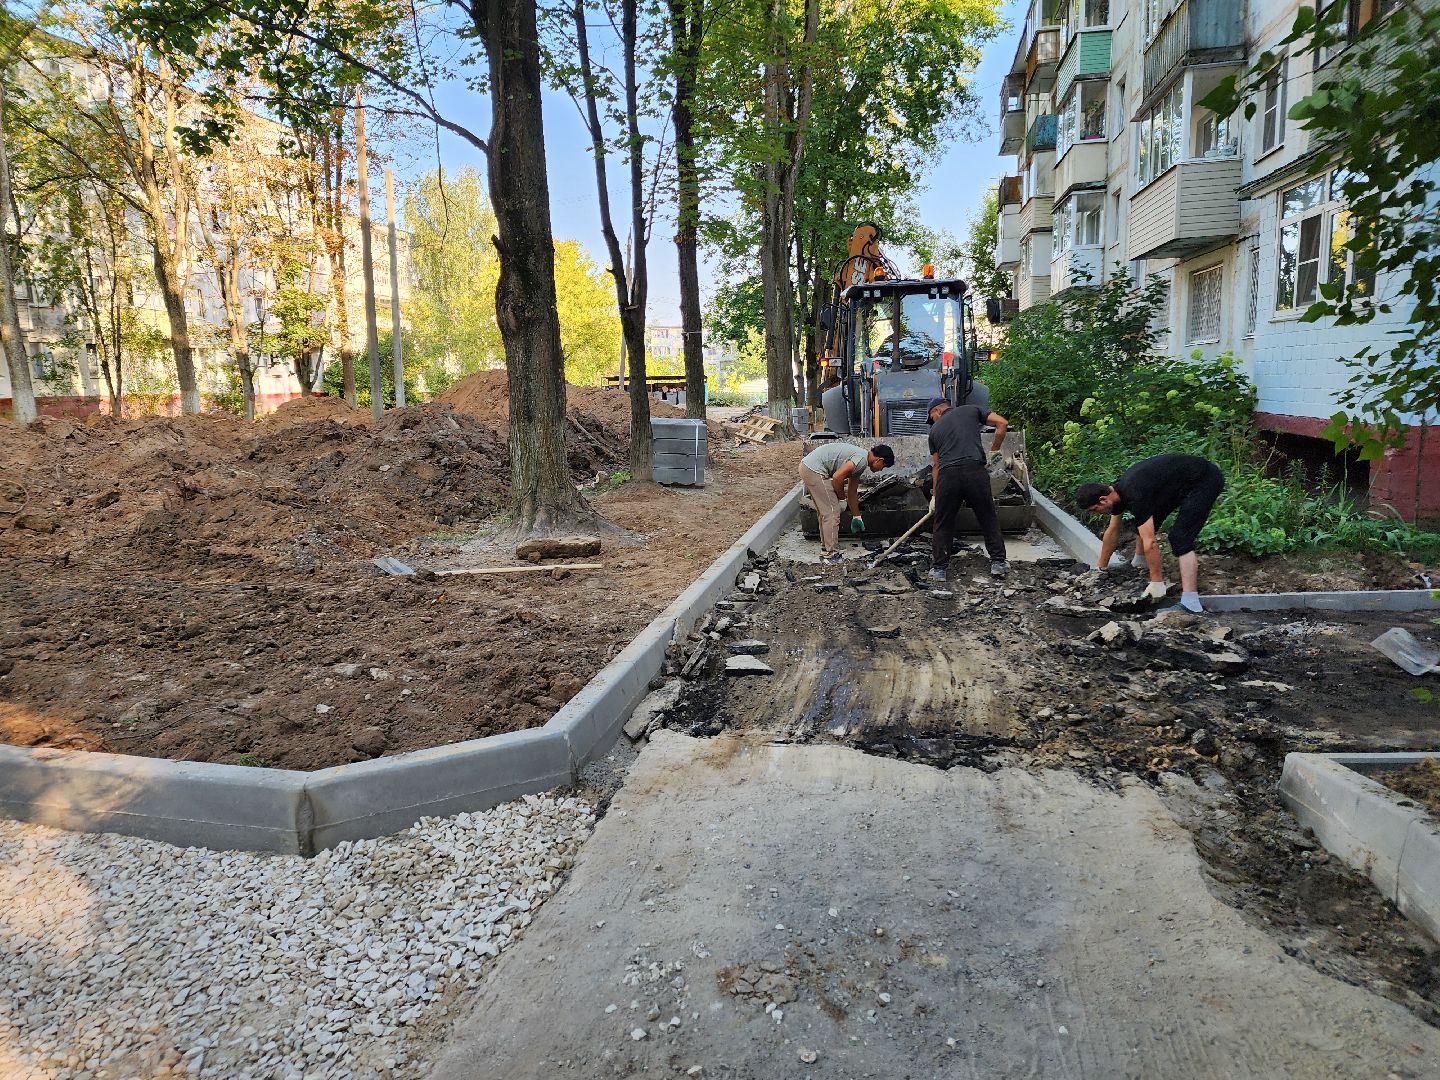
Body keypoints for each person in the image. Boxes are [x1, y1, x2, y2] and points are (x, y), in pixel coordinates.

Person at [1074, 453, 1225, 613]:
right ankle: (1139, 563)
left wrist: (1157, 582)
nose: (1096, 514)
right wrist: (1100, 570)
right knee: (1143, 523)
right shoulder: (1117, 492)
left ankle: (1191, 603)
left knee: (1180, 539)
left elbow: (1151, 542)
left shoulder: (1134, 494)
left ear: (1103, 499)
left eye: (1094, 510)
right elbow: (1112, 531)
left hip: (1204, 480)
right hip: (1178, 483)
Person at [926, 396, 1009, 580]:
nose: (933, 422)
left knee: (942, 522)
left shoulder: (934, 433)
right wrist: (994, 450)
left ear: (938, 410)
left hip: (948, 477)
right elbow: (1002, 423)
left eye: (931, 417)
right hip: (975, 470)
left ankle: (939, 569)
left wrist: (935, 495)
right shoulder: (972, 409)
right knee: (987, 516)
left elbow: (936, 466)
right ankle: (998, 563)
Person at [800, 441, 895, 564]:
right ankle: (831, 555)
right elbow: (837, 477)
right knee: (832, 512)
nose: (881, 469)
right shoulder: (861, 460)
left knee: (826, 512)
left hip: (809, 467)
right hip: (814, 470)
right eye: (884, 466)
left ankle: (826, 549)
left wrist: (857, 516)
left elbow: (852, 492)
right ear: (879, 460)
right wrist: (840, 498)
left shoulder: (860, 460)